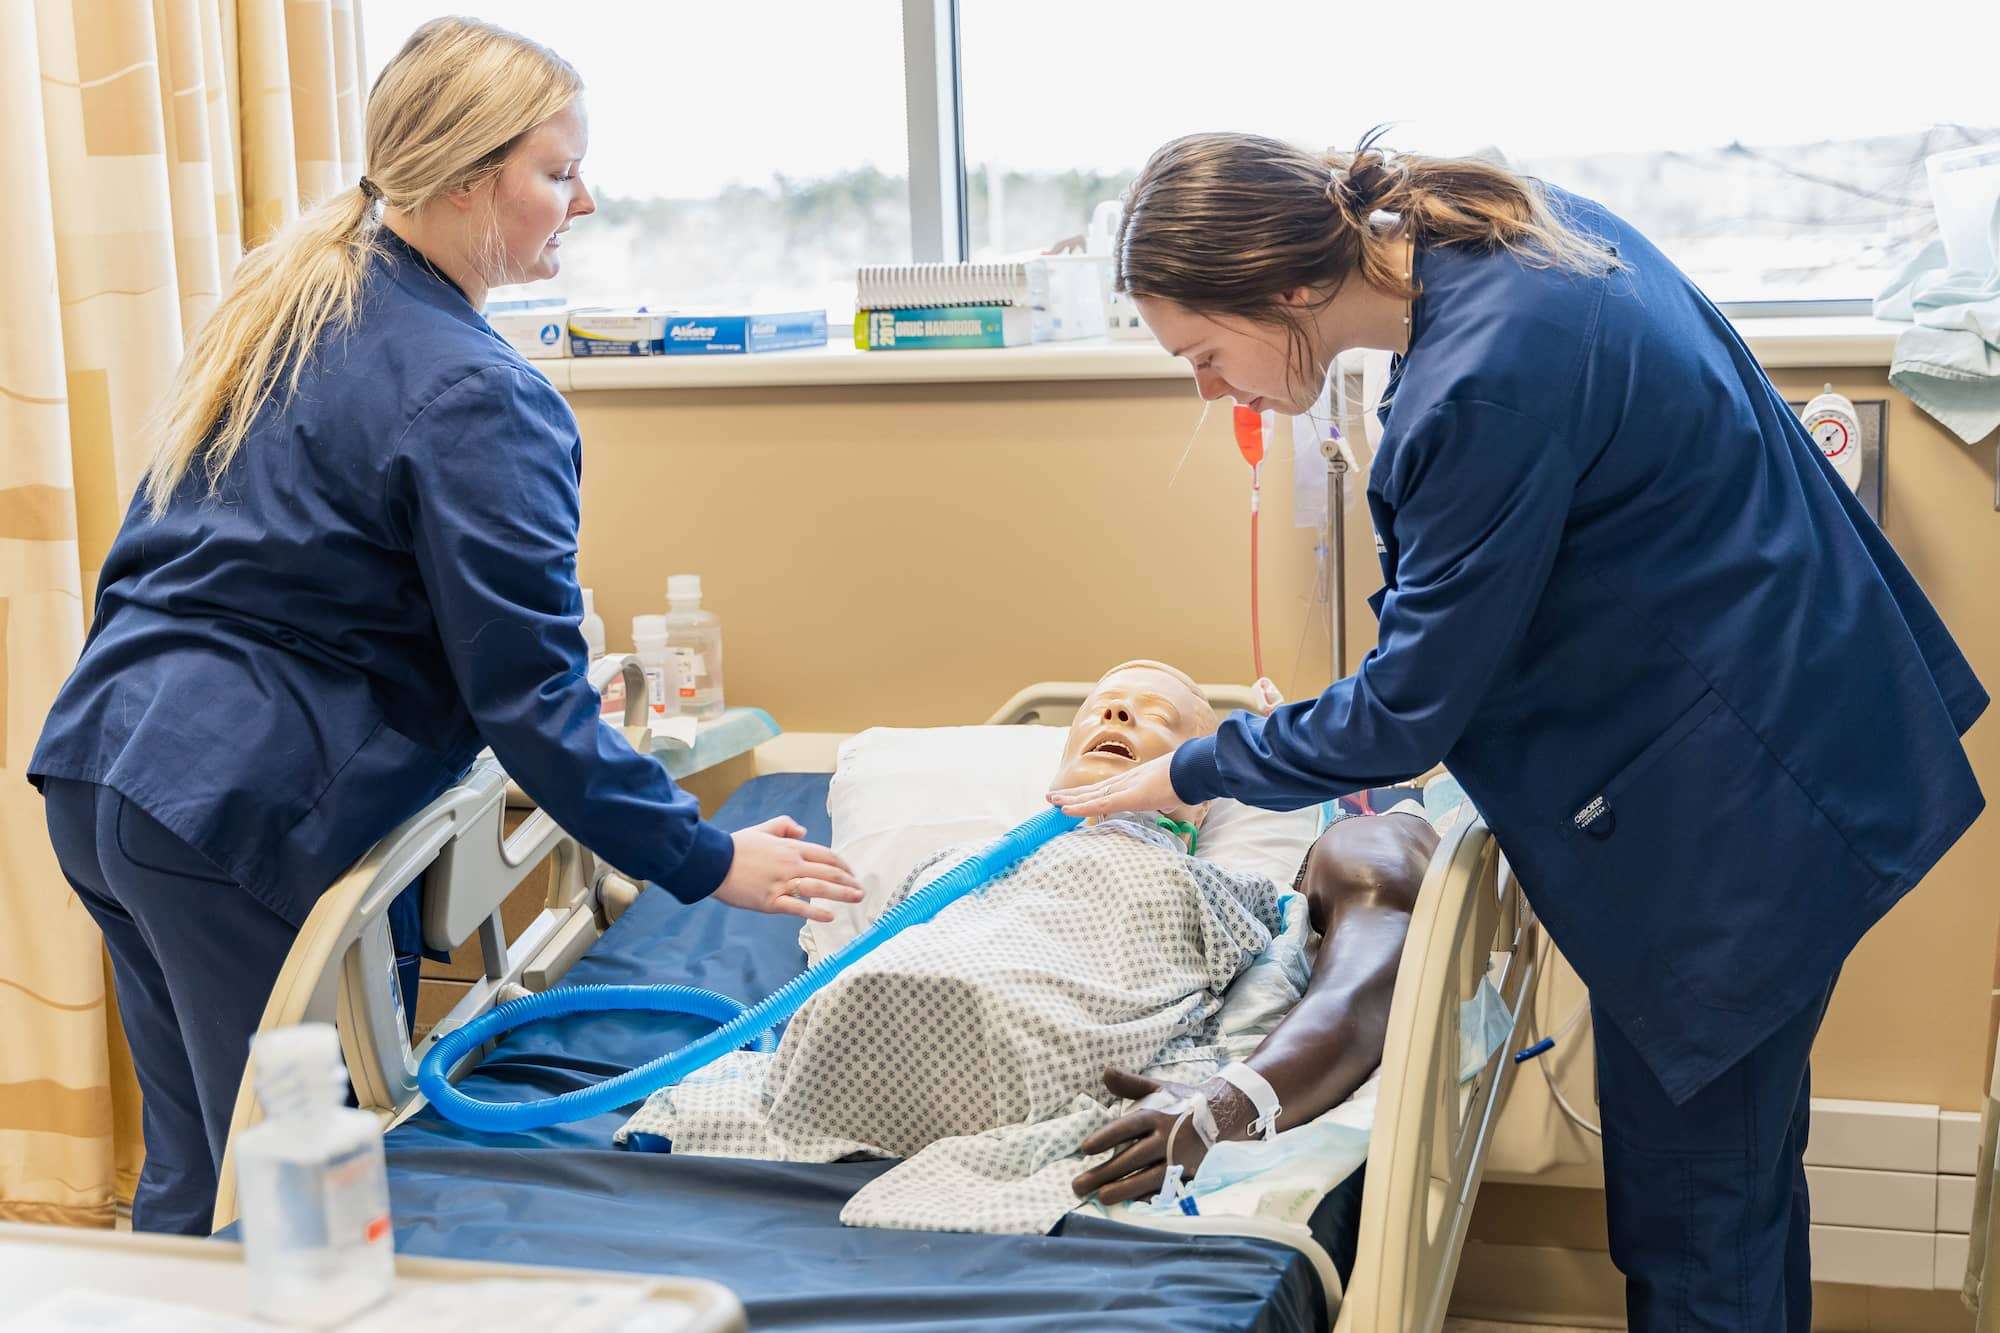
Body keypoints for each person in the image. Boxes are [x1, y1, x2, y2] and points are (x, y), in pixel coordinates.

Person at [1047, 131, 1986, 1331]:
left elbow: (1400, 709)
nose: (1206, 388)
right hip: (1786, 724)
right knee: (1726, 1190)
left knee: (1697, 1213)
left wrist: (1194, 769)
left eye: (1201, 351)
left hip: (1742, 805)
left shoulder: (1485, 375)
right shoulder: (1507, 233)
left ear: (1283, 284)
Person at [27, 18, 858, 1236]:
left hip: (105, 768)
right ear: (470, 178)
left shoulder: (291, 309)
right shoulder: (475, 388)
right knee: (289, 1197)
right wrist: (705, 857)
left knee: (201, 1171)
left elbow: (159, 563)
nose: (583, 200)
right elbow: (529, 697)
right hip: (236, 805)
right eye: (557, 172)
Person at [619, 661, 1432, 1243]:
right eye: (1103, 707)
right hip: (843, 1047)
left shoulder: (1219, 889)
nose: (1115, 717)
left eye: (1153, 715)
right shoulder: (953, 870)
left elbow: (1248, 1004)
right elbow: (877, 947)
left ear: (1205, 777)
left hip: (1030, 1057)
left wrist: (1216, 1095)